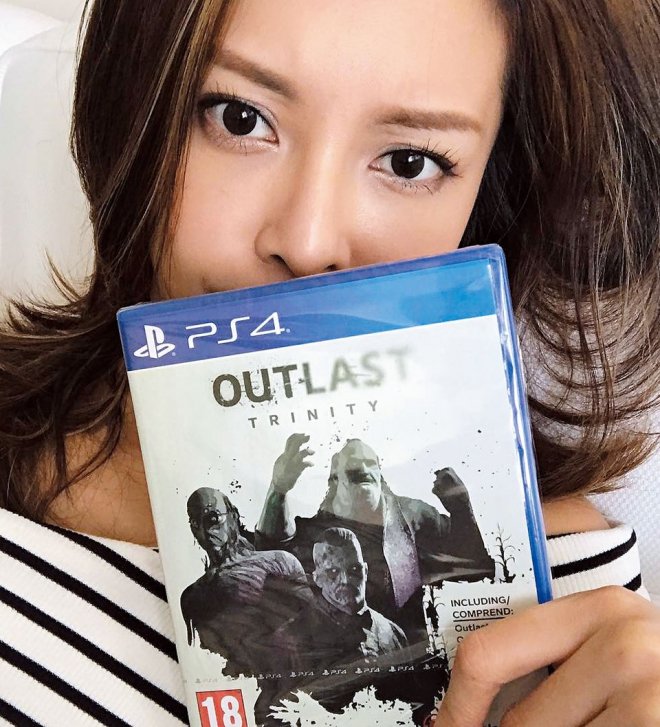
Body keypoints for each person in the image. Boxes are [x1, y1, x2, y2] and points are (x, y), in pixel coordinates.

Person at [0, 1, 658, 725]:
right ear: (133, 107)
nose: (308, 242)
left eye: (409, 162)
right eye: (239, 119)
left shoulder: (563, 587)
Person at [257, 436, 495, 628]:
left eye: (369, 463)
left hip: (414, 649)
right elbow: (272, 550)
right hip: (344, 653)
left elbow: (471, 568)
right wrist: (278, 489)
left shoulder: (416, 515)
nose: (362, 468)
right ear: (335, 477)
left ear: (380, 472)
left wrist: (461, 508)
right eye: (352, 464)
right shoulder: (319, 532)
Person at [180, 487, 311, 677]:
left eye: (213, 519)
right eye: (195, 522)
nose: (204, 529)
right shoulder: (191, 597)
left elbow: (313, 625)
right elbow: (200, 659)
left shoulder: (279, 562)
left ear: (232, 516)